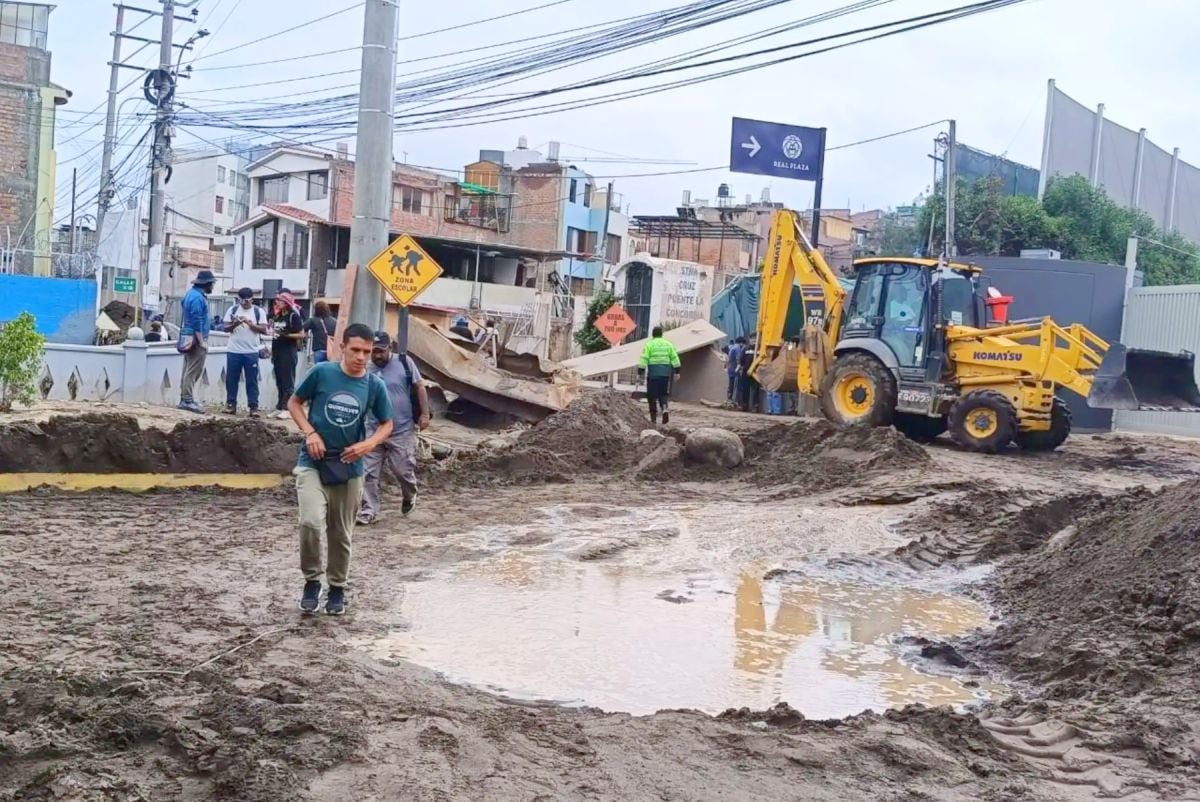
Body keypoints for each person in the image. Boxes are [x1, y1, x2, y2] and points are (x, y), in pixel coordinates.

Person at [288, 322, 394, 616]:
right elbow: (295, 402)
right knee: (310, 522)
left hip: (349, 466)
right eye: (356, 350)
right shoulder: (322, 373)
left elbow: (387, 423)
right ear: (342, 347)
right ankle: (312, 581)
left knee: (341, 533)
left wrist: (368, 444)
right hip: (313, 461)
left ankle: (336, 589)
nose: (361, 357)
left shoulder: (374, 385)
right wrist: (310, 433)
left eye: (367, 351)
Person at [358, 331, 431, 525]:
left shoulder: (405, 363)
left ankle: (409, 495)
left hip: (401, 428)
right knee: (367, 472)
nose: (377, 356)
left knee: (402, 470)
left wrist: (424, 414)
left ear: (389, 348)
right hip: (374, 428)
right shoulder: (366, 367)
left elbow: (419, 387)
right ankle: (369, 510)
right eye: (373, 352)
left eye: (380, 351)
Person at [223, 287, 269, 416]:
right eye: (242, 301)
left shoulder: (258, 312)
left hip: (251, 351)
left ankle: (253, 406)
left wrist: (250, 324)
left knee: (252, 380)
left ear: (251, 299)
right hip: (234, 350)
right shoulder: (232, 310)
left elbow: (264, 329)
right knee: (231, 379)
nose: (244, 304)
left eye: (247, 301)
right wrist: (235, 324)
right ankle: (231, 404)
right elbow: (225, 328)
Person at [178, 270, 215, 413]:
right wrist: (201, 341)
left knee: (187, 367)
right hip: (195, 337)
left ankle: (185, 398)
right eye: (211, 284)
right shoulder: (198, 298)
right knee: (194, 369)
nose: (212, 287)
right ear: (207, 284)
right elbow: (197, 320)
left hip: (187, 335)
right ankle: (187, 400)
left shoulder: (189, 294)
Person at [637, 325, 681, 426]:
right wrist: (677, 372)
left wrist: (640, 373)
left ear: (652, 334)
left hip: (653, 373)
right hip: (665, 373)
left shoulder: (649, 345)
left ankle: (653, 419)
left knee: (652, 396)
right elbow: (675, 359)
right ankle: (664, 409)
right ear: (662, 334)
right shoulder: (668, 344)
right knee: (663, 394)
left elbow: (644, 359)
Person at [271, 291, 304, 419]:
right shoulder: (278, 316)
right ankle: (279, 406)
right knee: (279, 379)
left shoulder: (293, 316)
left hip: (288, 351)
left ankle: (287, 408)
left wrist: (286, 335)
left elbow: (301, 334)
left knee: (288, 380)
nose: (277, 302)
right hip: (277, 350)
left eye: (279, 300)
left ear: (286, 303)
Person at [726, 336, 746, 402]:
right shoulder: (737, 348)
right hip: (734, 369)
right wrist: (739, 369)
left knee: (731, 384)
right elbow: (738, 360)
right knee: (735, 386)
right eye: (743, 344)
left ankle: (729, 398)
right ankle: (733, 400)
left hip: (730, 368)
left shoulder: (732, 347)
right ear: (741, 343)